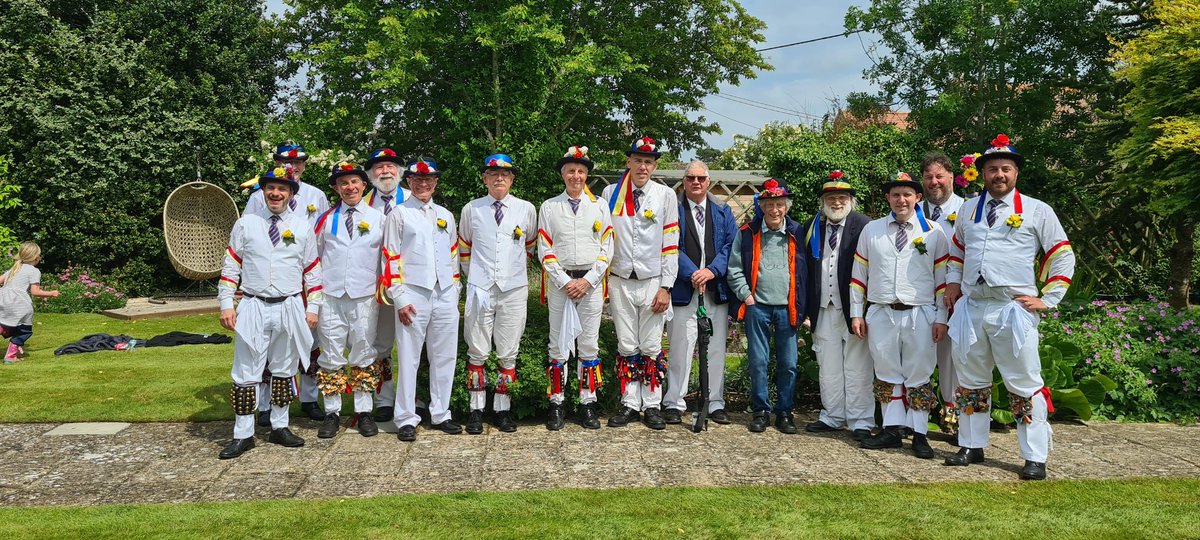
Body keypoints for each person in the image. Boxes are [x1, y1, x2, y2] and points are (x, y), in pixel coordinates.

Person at [943, 134, 1075, 480]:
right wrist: (954, 283)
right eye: (991, 169)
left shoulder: (1037, 210)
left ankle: (1034, 456)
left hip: (1012, 308)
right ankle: (971, 444)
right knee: (970, 380)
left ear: (1015, 173)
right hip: (972, 308)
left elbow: (1062, 255)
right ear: (982, 173)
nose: (998, 175)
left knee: (1023, 381)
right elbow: (957, 251)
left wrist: (1047, 299)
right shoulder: (968, 209)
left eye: (1005, 169)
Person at [217, 166, 323, 459]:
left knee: (285, 369)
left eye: (282, 189)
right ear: (263, 191)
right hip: (253, 304)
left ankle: (279, 426)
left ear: (291, 193)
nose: (276, 193)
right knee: (245, 371)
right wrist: (227, 303)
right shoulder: (246, 224)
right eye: (271, 188)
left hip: (289, 305)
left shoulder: (302, 227)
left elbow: (313, 271)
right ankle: (243, 433)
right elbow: (231, 266)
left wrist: (312, 307)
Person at [849, 172, 949, 459]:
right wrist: (857, 312)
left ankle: (919, 434)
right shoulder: (873, 230)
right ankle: (892, 430)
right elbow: (859, 276)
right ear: (888, 199)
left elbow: (942, 280)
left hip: (919, 313)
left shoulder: (933, 232)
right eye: (895, 195)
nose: (901, 200)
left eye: (907, 194)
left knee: (919, 373)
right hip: (881, 312)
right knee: (886, 371)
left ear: (917, 197)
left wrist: (941, 316)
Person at [245, 142, 330, 426]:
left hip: (305, 278)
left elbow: (321, 238)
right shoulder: (260, 196)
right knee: (269, 344)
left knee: (309, 340)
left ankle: (308, 398)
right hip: (272, 280)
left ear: (305, 165)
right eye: (285, 161)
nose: (292, 167)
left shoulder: (316, 195)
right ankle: (266, 403)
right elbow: (249, 237)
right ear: (277, 162)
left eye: (298, 162)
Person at [600, 137, 680, 430]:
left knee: (651, 345)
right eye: (638, 160)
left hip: (651, 280)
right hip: (620, 279)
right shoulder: (611, 193)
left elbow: (671, 243)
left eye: (648, 161)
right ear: (628, 162)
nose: (643, 166)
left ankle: (652, 405)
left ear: (655, 165)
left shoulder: (665, 195)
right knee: (626, 344)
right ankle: (630, 404)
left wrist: (666, 286)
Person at [380, 158, 463, 442]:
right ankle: (405, 417)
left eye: (428, 180)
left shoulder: (445, 215)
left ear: (436, 183)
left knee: (444, 356)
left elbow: (453, 256)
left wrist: (455, 290)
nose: (423, 184)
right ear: (409, 183)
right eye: (417, 180)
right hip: (413, 292)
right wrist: (399, 297)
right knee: (409, 356)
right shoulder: (399, 214)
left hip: (444, 293)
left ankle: (440, 413)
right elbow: (389, 257)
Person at [459, 153, 537, 434]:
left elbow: (528, 248)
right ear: (485, 178)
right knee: (477, 349)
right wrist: (477, 278)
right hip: (480, 288)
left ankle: (502, 410)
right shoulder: (472, 209)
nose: (499, 179)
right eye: (493, 174)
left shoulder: (526, 209)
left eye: (504, 174)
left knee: (508, 352)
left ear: (512, 179)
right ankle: (476, 410)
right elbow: (464, 249)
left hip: (513, 289)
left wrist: (510, 273)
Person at [538, 146, 613, 430]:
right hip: (562, 285)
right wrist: (565, 281)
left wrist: (589, 280)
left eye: (581, 171)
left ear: (587, 175)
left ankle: (587, 403)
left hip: (590, 285)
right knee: (557, 345)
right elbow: (544, 249)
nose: (576, 175)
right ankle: (556, 403)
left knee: (589, 345)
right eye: (571, 170)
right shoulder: (549, 207)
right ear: (562, 174)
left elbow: (607, 248)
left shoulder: (600, 207)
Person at [727, 179, 808, 434]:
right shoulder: (747, 233)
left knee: (789, 362)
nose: (775, 209)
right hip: (758, 305)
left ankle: (784, 411)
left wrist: (803, 306)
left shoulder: (797, 232)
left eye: (779, 204)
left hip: (787, 307)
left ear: (787, 206)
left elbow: (807, 272)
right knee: (758, 361)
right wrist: (746, 296)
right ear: (761, 206)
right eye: (770, 204)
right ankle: (760, 410)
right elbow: (734, 268)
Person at [312, 161, 385, 439]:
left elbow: (387, 257)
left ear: (364, 185)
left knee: (364, 351)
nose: (350, 187)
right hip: (331, 295)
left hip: (365, 294)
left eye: (354, 182)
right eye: (343, 183)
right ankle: (331, 412)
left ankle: (363, 412)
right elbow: (314, 258)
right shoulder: (326, 219)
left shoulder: (379, 218)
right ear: (335, 188)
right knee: (330, 352)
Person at [663, 160, 737, 425]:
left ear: (709, 182)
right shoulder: (674, 209)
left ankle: (715, 402)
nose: (696, 182)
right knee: (680, 347)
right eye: (691, 177)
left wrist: (712, 271)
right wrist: (693, 272)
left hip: (715, 290)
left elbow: (732, 245)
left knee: (716, 348)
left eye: (701, 178)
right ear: (684, 182)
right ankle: (674, 402)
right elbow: (670, 244)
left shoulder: (722, 210)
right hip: (684, 289)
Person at [801, 171, 873, 440]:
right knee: (827, 365)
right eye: (831, 197)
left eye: (842, 197)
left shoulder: (865, 226)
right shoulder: (811, 226)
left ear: (851, 200)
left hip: (854, 309)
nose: (837, 202)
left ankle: (860, 420)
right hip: (822, 308)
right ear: (823, 201)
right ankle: (832, 416)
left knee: (858, 366)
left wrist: (864, 309)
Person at [363, 148, 411, 423]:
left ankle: (413, 397)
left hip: (413, 286)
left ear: (400, 172)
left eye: (391, 166)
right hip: (378, 286)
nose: (385, 172)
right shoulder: (364, 203)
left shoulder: (414, 199)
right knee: (381, 344)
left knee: (414, 345)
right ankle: (383, 398)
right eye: (379, 167)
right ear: (371, 175)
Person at [920, 152, 967, 438]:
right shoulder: (913, 208)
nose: (934, 182)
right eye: (928, 177)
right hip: (920, 295)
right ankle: (916, 417)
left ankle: (954, 416)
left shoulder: (967, 209)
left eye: (939, 176)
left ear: (951, 177)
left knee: (953, 358)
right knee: (919, 356)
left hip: (956, 296)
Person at [0, 242, 60, 363]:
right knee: (24, 330)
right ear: (36, 257)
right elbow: (35, 291)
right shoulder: (34, 271)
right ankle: (10, 356)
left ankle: (11, 341)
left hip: (3, 300)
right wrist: (51, 293)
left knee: (5, 324)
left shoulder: (14, 268)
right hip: (19, 303)